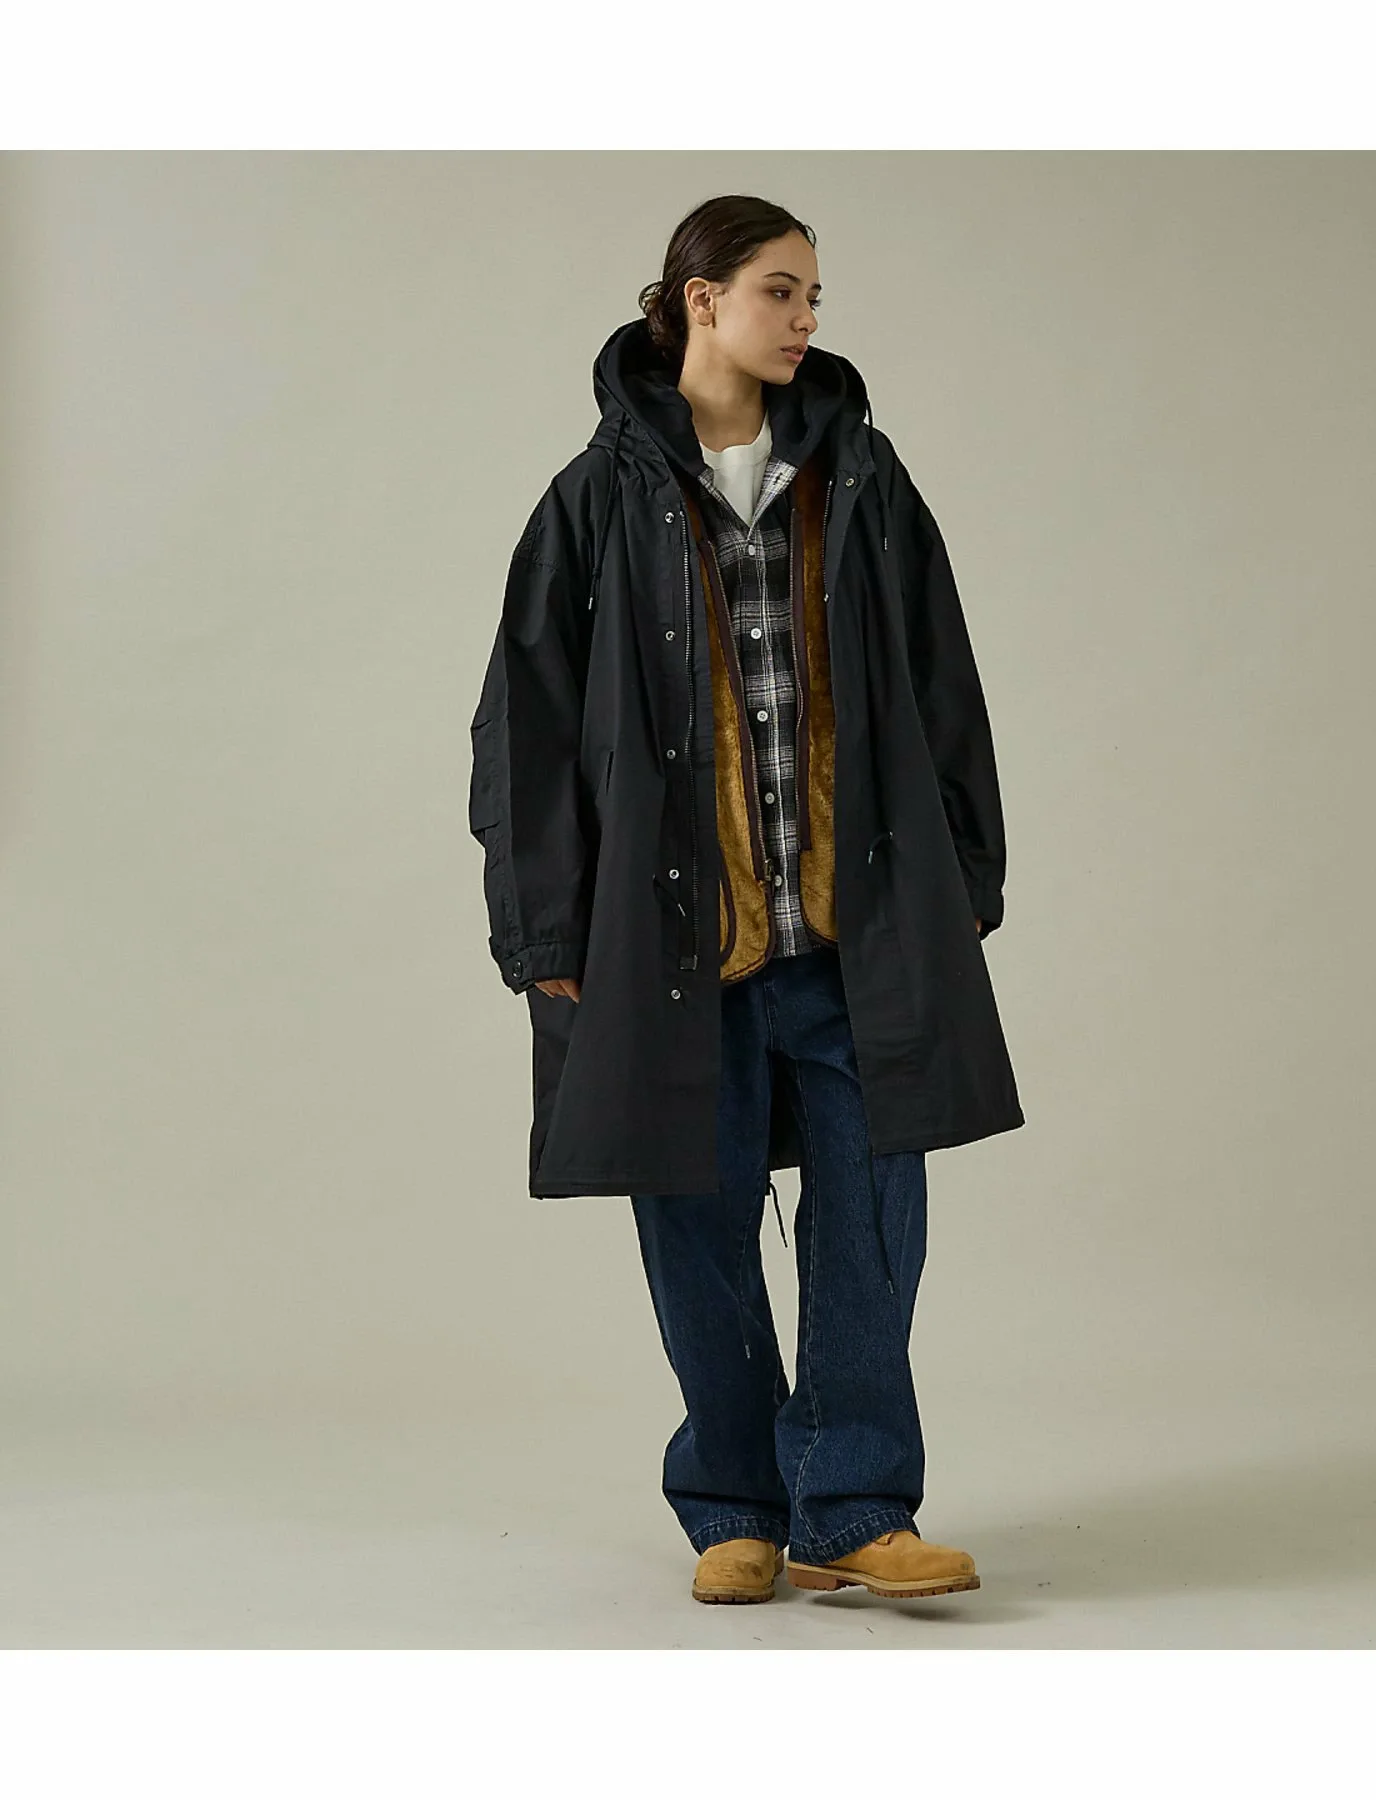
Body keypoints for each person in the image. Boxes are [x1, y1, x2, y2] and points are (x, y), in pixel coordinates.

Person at [469, 194, 1024, 1606]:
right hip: (672, 944)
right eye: (783, 290)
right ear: (700, 298)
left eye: (815, 297)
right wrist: (544, 931)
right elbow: (525, 730)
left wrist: (965, 876)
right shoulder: (595, 499)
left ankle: (855, 1504)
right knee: (695, 1221)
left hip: (853, 929)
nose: (806, 319)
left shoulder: (862, 477)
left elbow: (944, 679)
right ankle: (733, 1504)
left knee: (871, 1218)